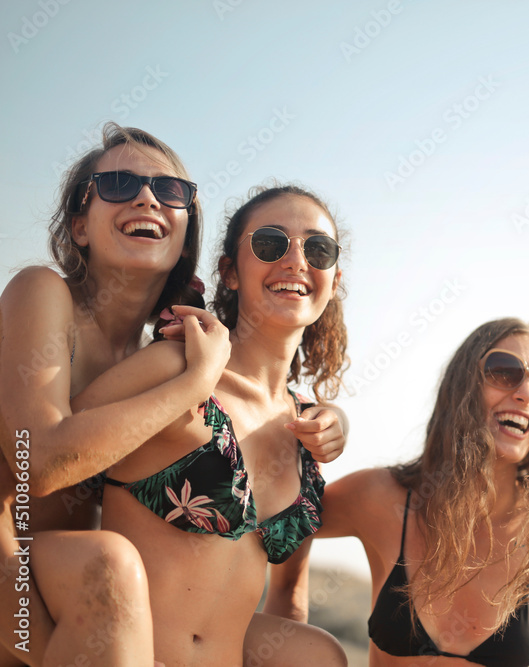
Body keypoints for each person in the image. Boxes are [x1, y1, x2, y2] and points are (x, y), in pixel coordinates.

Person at [71, 184, 350, 665]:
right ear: (230, 273)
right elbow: (44, 454)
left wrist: (338, 417)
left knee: (321, 655)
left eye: (317, 249)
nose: (296, 261)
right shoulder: (178, 368)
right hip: (124, 654)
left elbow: (281, 599)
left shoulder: (308, 430)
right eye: (270, 243)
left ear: (333, 277)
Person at [0, 123, 233, 667]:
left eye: (169, 191)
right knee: (109, 564)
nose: (148, 197)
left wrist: (326, 418)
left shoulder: (163, 353)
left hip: (57, 574)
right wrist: (193, 385)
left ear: (184, 230)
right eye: (121, 184)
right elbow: (41, 461)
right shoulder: (42, 293)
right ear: (79, 227)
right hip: (14, 559)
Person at [318, 318, 529, 666]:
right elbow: (279, 519)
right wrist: (288, 601)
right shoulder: (379, 496)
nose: (527, 394)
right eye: (505, 371)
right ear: (462, 385)